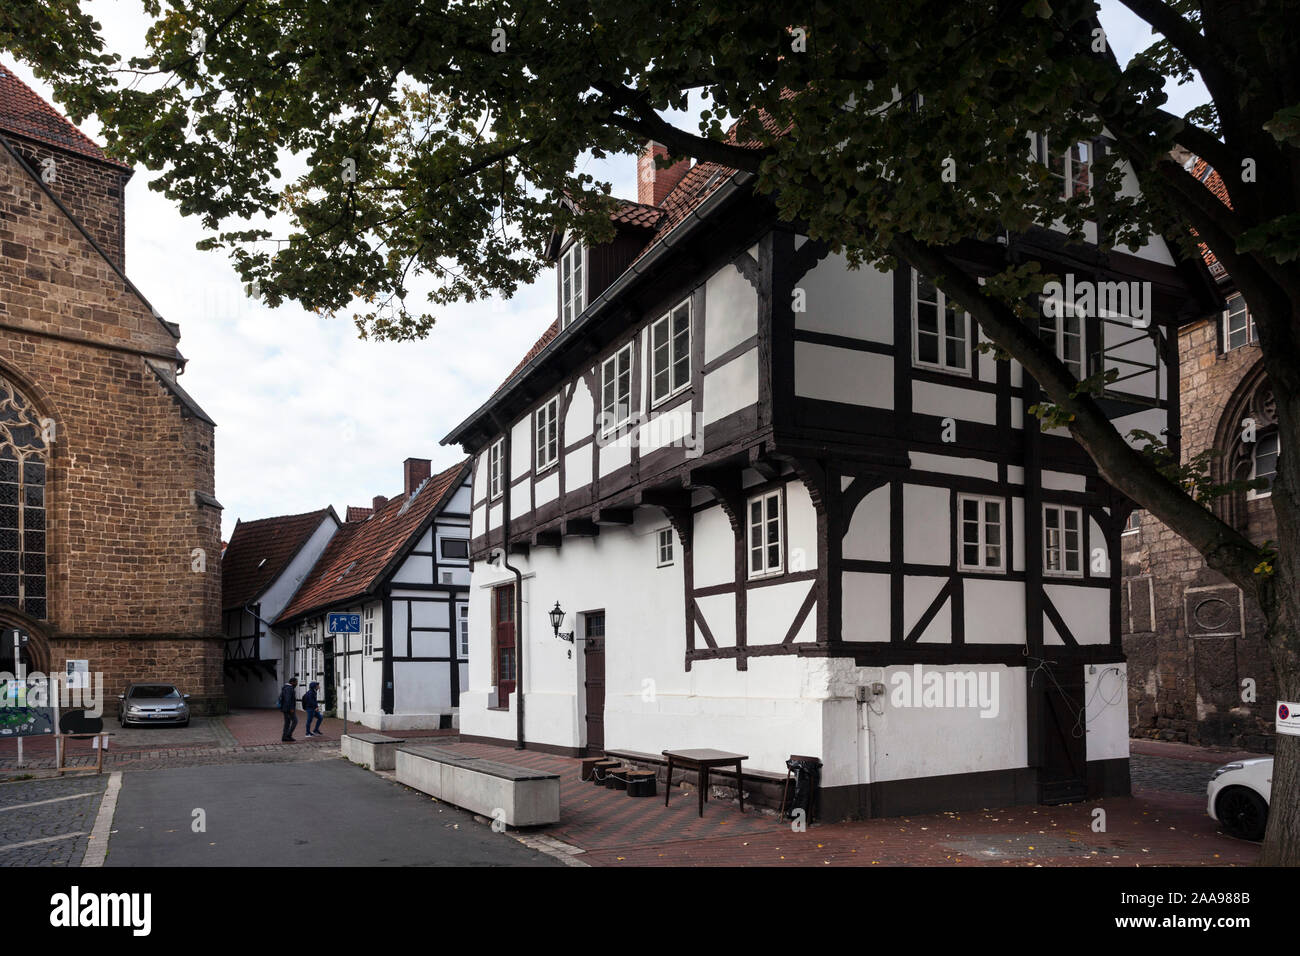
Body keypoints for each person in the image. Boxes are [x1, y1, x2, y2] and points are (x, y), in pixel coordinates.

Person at [278, 677, 299, 741]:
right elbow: (288, 699)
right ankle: (288, 735)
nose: (297, 683)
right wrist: (291, 708)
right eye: (296, 682)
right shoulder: (289, 688)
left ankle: (285, 737)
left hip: (285, 708)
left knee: (287, 722)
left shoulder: (286, 687)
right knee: (295, 721)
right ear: (292, 682)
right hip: (288, 709)